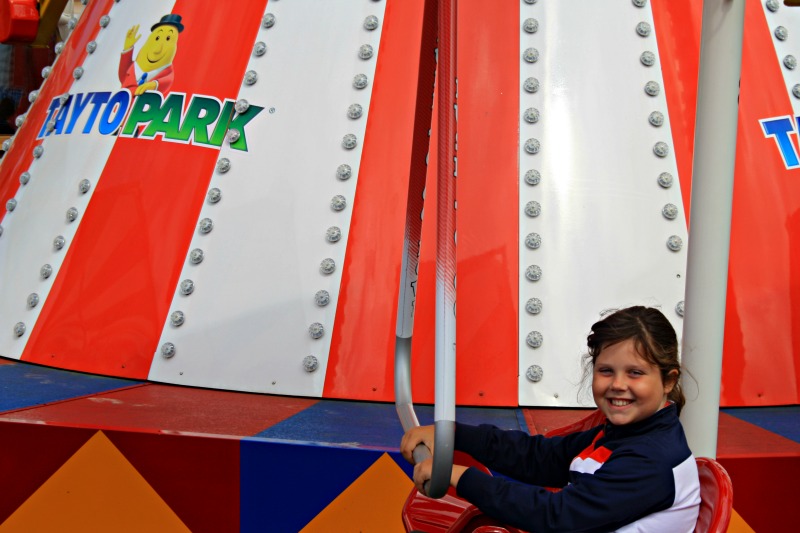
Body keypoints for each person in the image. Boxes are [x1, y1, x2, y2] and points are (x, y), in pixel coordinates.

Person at [401, 306, 701, 532]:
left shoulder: (652, 460)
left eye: (635, 373)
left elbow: (557, 516)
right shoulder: (620, 435)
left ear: (667, 381)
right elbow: (540, 458)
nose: (618, 384)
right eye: (606, 371)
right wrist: (452, 435)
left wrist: (460, 477)